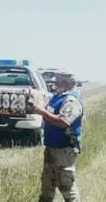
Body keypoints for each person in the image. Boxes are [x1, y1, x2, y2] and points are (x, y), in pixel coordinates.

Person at [30, 69, 84, 202]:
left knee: (66, 186)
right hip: (52, 147)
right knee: (47, 185)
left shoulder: (72, 100)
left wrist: (43, 112)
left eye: (57, 81)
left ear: (65, 83)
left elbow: (62, 122)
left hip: (64, 150)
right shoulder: (58, 96)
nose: (54, 84)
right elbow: (50, 113)